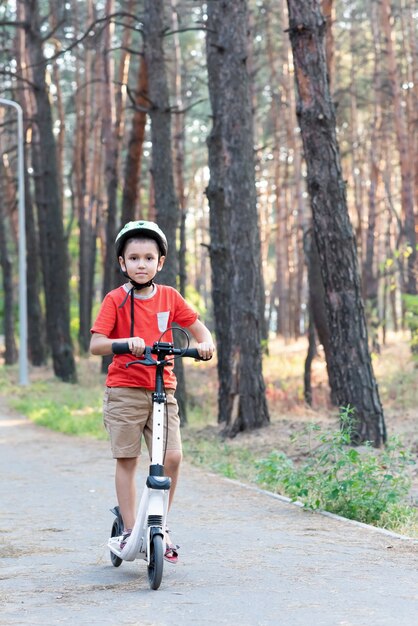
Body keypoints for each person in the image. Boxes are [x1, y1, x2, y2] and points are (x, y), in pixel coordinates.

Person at [90, 220, 215, 563]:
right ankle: (131, 528)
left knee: (171, 457)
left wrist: (205, 345)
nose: (141, 264)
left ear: (160, 262)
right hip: (125, 390)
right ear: (122, 263)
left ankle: (159, 525)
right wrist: (121, 343)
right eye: (134, 258)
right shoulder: (115, 300)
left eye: (148, 258)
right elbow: (96, 344)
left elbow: (201, 332)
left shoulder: (170, 297)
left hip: (163, 390)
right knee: (128, 459)